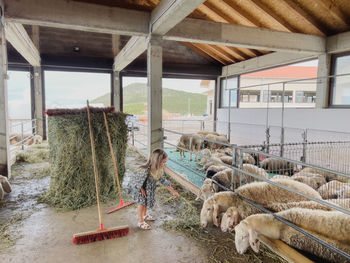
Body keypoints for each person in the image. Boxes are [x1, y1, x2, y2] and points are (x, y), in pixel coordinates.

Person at [132, 148, 180, 230]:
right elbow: (137, 181)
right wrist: (141, 189)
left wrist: (173, 191)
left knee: (146, 202)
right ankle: (140, 221)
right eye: (163, 162)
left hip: (149, 189)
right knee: (142, 203)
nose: (164, 164)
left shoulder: (158, 170)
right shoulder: (144, 170)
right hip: (140, 189)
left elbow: (163, 181)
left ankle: (145, 215)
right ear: (157, 161)